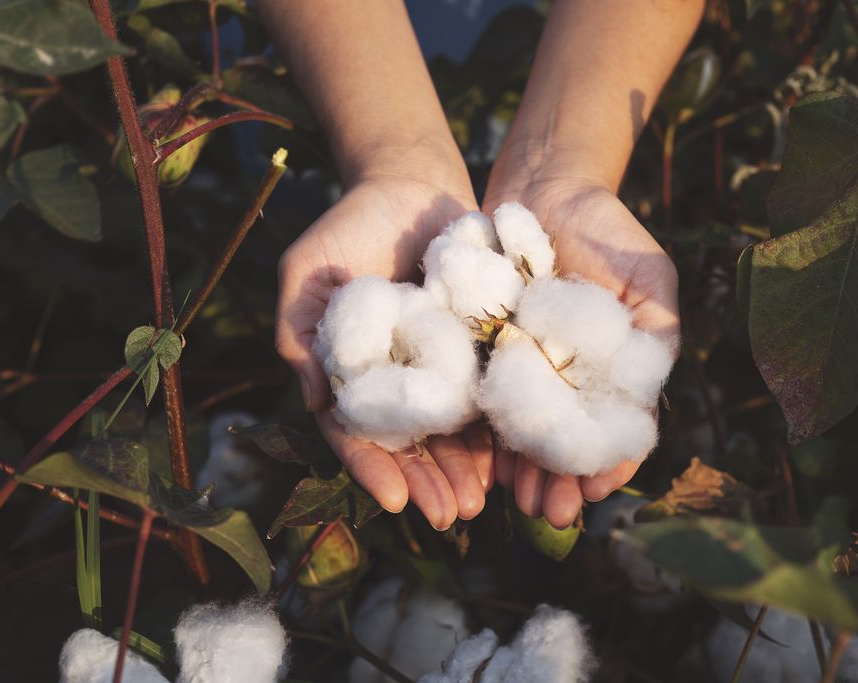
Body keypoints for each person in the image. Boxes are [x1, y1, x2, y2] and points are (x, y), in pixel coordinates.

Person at [261, 1, 700, 532]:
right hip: (327, 82)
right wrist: (394, 161)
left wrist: (562, 167)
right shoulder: (478, 304)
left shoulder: (479, 300)